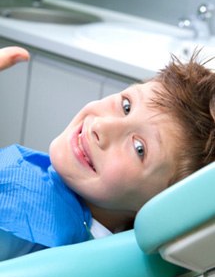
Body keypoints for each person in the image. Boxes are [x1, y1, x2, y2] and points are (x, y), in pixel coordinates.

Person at [0, 46, 214, 261]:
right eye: (126, 106)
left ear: (157, 206)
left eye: (139, 148)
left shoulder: (28, 234)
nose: (101, 127)